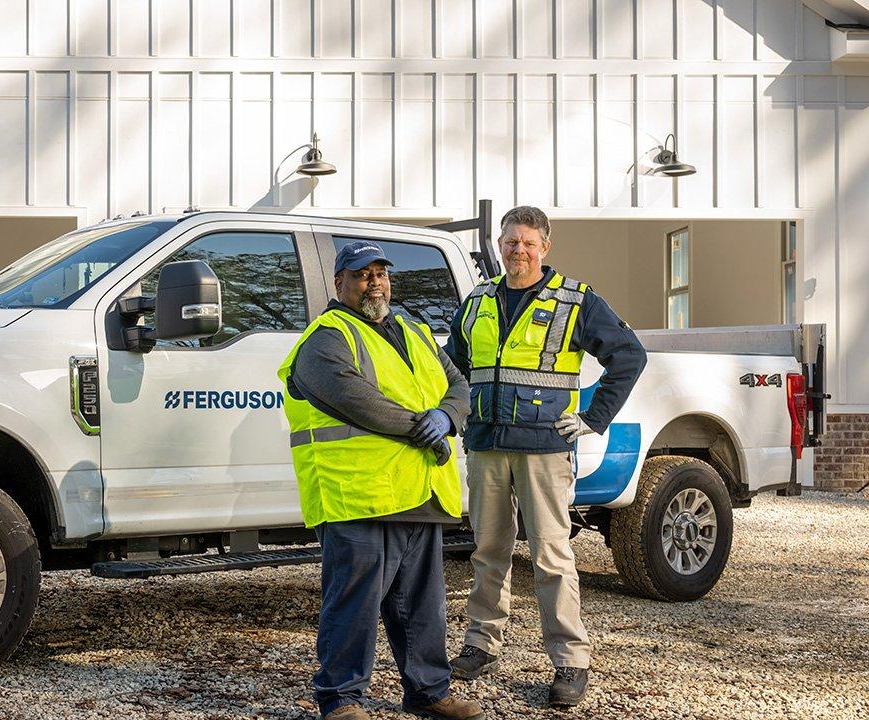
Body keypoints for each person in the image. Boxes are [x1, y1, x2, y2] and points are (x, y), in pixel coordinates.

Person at [444, 206, 647, 707]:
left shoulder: (575, 301)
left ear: (545, 247)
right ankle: (480, 643)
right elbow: (455, 368)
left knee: (551, 557)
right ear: (499, 243)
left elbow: (629, 356)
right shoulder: (477, 301)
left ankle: (571, 662)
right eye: (511, 242)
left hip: (543, 449)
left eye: (529, 243)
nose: (519, 251)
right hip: (488, 445)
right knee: (489, 551)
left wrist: (595, 418)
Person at [277, 240, 483, 720]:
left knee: (422, 606)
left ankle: (429, 692)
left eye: (381, 273)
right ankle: (341, 698)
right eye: (362, 273)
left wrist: (448, 417)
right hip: (359, 494)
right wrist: (422, 426)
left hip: (420, 490)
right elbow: (356, 400)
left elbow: (457, 384)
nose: (375, 281)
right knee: (354, 605)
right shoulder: (326, 338)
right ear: (340, 283)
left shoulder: (413, 329)